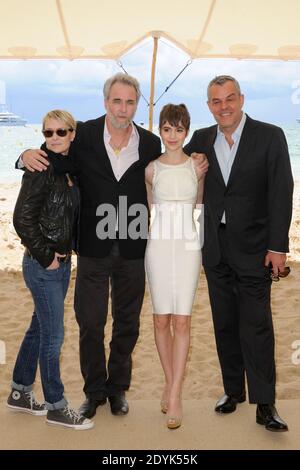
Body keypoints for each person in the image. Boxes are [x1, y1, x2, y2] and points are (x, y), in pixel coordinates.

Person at [17, 73, 162, 419]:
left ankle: (117, 391)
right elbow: (55, 156)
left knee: (127, 324)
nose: (123, 108)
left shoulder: (151, 143)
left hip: (132, 247)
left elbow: (172, 169)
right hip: (93, 247)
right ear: (105, 102)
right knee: (91, 323)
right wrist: (23, 156)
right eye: (117, 101)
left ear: (136, 104)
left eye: (129, 102)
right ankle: (94, 391)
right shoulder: (83, 137)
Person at [184, 75, 294, 432]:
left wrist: (278, 247)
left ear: (242, 99)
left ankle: (265, 403)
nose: (224, 106)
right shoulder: (200, 139)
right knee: (224, 324)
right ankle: (232, 391)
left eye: (230, 99)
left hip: (256, 248)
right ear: (209, 106)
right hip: (214, 248)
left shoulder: (270, 135)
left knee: (256, 325)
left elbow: (282, 191)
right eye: (216, 101)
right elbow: (172, 166)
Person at [8, 110, 93, 430]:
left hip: (58, 263)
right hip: (43, 265)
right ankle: (56, 406)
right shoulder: (40, 167)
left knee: (39, 329)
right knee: (53, 336)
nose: (54, 138)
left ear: (73, 134)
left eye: (61, 132)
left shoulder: (69, 168)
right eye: (47, 133)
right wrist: (47, 258)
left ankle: (19, 391)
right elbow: (21, 220)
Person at [145, 104, 207, 429]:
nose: (172, 135)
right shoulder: (151, 170)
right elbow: (149, 212)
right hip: (157, 247)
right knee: (160, 320)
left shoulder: (197, 166)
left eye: (179, 129)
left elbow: (200, 210)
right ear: (160, 130)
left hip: (187, 248)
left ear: (186, 131)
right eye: (167, 129)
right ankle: (171, 384)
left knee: (181, 322)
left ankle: (175, 394)